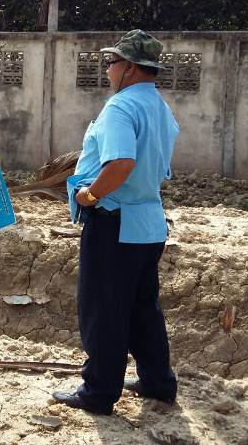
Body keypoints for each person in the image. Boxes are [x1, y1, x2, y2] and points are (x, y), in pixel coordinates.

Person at [53, 29, 180, 415]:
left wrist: (90, 195)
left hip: (114, 221)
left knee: (104, 309)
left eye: (111, 63)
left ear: (129, 67)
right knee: (143, 308)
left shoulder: (121, 107)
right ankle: (157, 382)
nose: (107, 70)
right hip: (148, 223)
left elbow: (121, 163)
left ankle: (98, 392)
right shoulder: (158, 106)